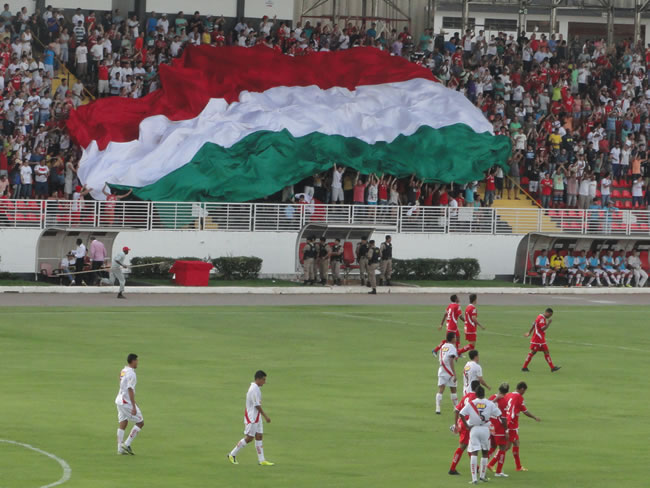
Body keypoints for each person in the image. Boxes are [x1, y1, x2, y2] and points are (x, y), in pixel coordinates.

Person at [459, 386, 505, 484]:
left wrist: (467, 426)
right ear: (484, 393)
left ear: (476, 394)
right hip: (485, 429)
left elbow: (461, 413)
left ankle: (474, 479)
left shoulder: (471, 403)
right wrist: (505, 428)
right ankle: (482, 476)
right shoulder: (490, 403)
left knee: (474, 452)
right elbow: (499, 414)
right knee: (485, 453)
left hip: (474, 429)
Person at [228, 370, 274, 466]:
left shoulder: (257, 388)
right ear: (258, 379)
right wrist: (265, 416)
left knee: (259, 436)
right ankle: (232, 454)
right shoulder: (254, 389)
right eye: (263, 380)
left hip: (257, 416)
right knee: (249, 438)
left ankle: (262, 460)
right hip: (252, 417)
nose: (264, 382)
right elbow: (257, 405)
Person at [504, 381, 541, 472]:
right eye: (524, 391)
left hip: (507, 422)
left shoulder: (508, 395)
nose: (524, 393)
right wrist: (534, 417)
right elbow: (525, 411)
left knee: (514, 444)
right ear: (522, 389)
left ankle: (518, 466)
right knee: (507, 447)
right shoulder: (519, 397)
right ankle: (491, 463)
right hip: (511, 424)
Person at [448, 379, 481, 476]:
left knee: (469, 445)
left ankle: (477, 468)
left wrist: (456, 425)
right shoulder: (476, 398)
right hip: (468, 425)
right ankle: (452, 468)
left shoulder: (466, 396)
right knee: (463, 446)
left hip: (462, 423)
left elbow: (457, 410)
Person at [115, 353, 144, 455]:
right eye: (137, 360)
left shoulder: (124, 370)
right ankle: (126, 444)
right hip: (125, 401)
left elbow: (120, 377)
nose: (138, 362)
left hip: (119, 399)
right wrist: (133, 405)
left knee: (123, 422)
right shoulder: (132, 373)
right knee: (140, 422)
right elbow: (130, 389)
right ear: (133, 361)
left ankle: (120, 449)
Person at [522, 308, 561, 372]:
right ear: (547, 312)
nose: (550, 316)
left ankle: (552, 368)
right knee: (533, 352)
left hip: (541, 339)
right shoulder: (542, 319)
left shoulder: (539, 316)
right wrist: (548, 323)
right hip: (538, 339)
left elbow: (533, 324)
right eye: (550, 315)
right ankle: (524, 367)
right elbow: (543, 328)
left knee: (546, 351)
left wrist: (529, 332)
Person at [486, 383, 511, 477]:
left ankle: (482, 466)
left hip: (490, 426)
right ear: (507, 392)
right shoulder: (504, 401)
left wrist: (495, 399)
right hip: (498, 427)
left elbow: (486, 407)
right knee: (502, 448)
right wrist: (506, 431)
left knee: (492, 446)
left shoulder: (492, 397)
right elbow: (503, 418)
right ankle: (499, 471)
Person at [435, 331, 458, 415]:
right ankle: (456, 407)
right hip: (449, 370)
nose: (456, 339)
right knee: (453, 389)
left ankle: (438, 408)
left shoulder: (443, 346)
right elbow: (451, 360)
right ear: (452, 338)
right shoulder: (452, 347)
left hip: (441, 370)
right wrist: (454, 373)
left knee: (441, 389)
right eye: (455, 337)